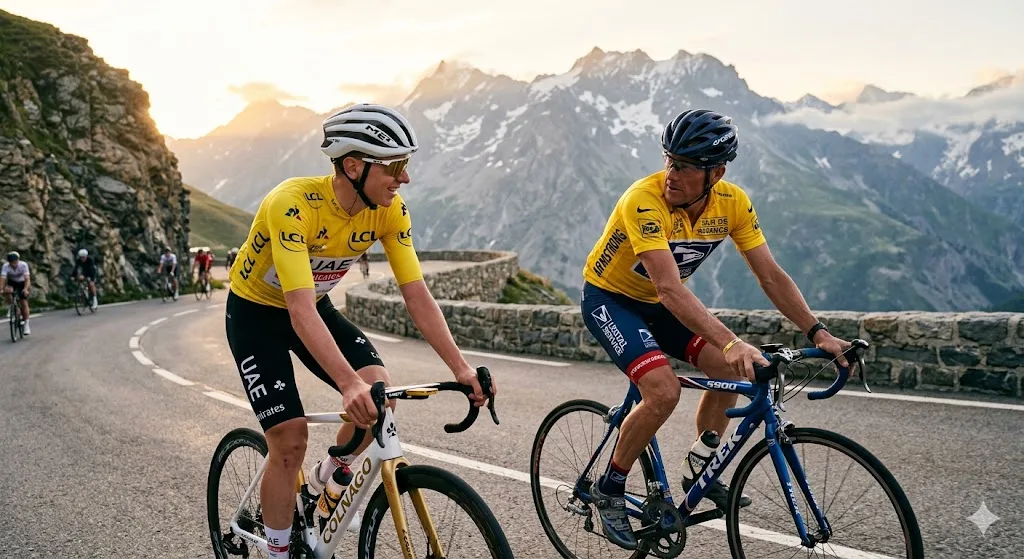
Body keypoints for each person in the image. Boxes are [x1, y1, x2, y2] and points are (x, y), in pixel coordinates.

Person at [224, 103, 495, 559]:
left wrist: (461, 368)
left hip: (315, 306)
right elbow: (298, 309)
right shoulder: (291, 204)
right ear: (353, 166)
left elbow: (416, 295)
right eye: (395, 165)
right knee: (289, 440)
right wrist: (347, 383)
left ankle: (324, 481)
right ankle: (277, 551)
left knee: (378, 398)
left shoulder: (390, 210)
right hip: (256, 315)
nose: (405, 177)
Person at [579, 109, 852, 549]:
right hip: (611, 300)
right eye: (670, 160)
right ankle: (609, 487)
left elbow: (770, 276)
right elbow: (669, 288)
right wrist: (731, 341)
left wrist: (818, 332)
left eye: (686, 166)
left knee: (729, 370)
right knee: (663, 391)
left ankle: (700, 465)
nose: (672, 174)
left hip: (660, 306)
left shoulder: (733, 203)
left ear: (716, 172)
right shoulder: (643, 201)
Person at [2, 251, 31, 335]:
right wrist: (1, 289)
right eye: (11, 262)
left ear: (18, 260)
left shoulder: (23, 265)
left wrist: (25, 289)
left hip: (22, 283)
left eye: (15, 262)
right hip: (12, 282)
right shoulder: (6, 266)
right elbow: (2, 279)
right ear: (9, 262)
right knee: (7, 291)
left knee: (23, 302)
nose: (13, 264)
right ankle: (11, 307)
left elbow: (27, 279)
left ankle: (26, 324)